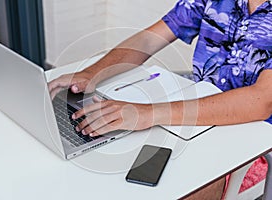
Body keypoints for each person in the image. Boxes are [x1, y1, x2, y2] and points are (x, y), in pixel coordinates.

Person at [49, 0, 272, 199]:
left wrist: (147, 113)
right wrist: (92, 73)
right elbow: (147, 40)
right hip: (190, 119)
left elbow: (261, 101)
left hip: (251, 141)